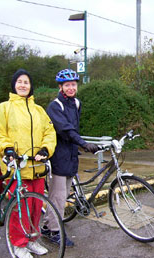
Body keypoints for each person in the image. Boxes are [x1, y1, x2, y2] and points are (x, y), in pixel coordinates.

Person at [0, 69, 57, 258]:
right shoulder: (4, 108)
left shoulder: (39, 110)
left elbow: (50, 132)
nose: (23, 85)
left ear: (30, 86)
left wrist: (45, 149)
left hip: (37, 168)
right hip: (16, 168)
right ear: (13, 85)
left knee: (36, 207)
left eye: (26, 82)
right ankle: (18, 243)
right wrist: (7, 148)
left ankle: (33, 239)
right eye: (19, 81)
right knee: (20, 208)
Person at [42, 69, 99, 246]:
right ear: (60, 87)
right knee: (58, 196)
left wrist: (78, 146)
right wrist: (83, 143)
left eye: (73, 84)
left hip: (71, 155)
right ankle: (54, 231)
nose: (71, 88)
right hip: (59, 156)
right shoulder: (55, 106)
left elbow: (75, 128)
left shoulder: (76, 103)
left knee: (64, 194)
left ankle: (46, 225)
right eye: (67, 85)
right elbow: (66, 129)